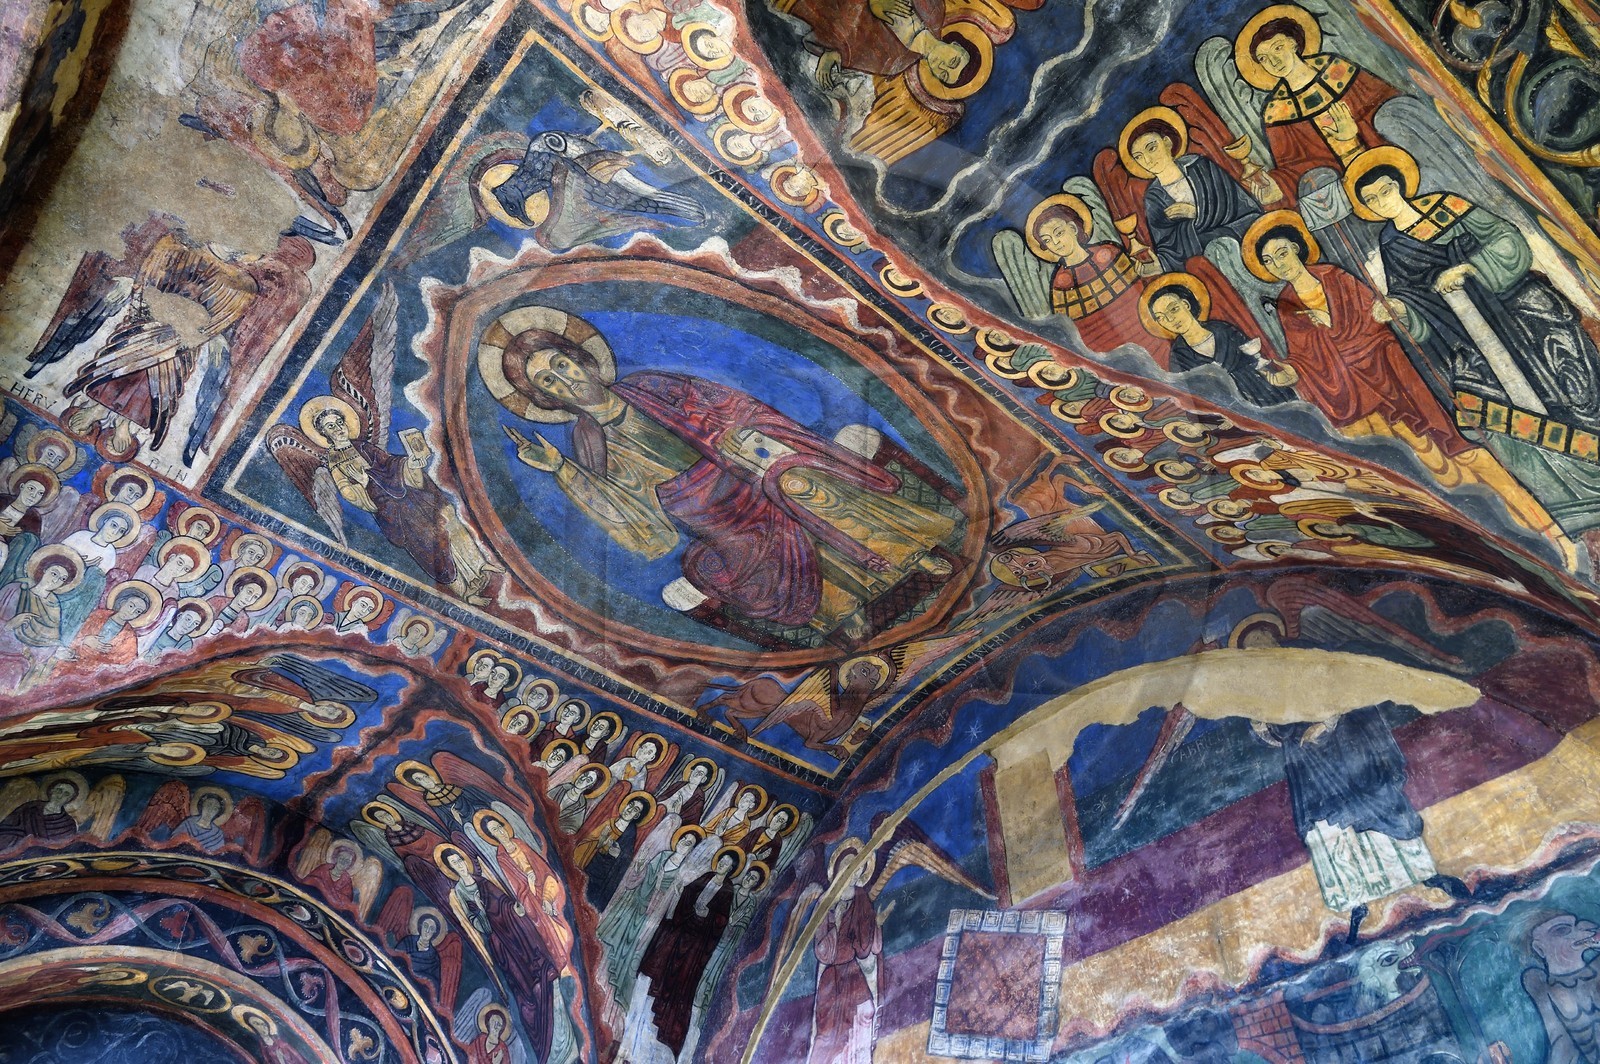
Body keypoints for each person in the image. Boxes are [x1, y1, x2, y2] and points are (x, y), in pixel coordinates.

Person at [491, 314, 956, 642]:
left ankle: (910, 554)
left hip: (740, 467)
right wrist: (560, 470)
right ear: (546, 399)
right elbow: (628, 513)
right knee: (746, 558)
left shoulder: (650, 386)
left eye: (561, 365)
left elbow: (727, 405)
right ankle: (843, 610)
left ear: (582, 360)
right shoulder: (586, 444)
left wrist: (734, 436)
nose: (564, 379)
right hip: (704, 512)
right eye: (548, 382)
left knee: (796, 484)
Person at [1244, 211, 1575, 561]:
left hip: (1394, 382)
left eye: (1281, 253)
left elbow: (1376, 324)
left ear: (1297, 248)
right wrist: (1285, 373)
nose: (1278, 263)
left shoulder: (1336, 277)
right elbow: (1304, 360)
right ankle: (1500, 546)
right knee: (1422, 479)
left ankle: (1548, 533)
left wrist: (1332, 327)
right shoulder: (1285, 305)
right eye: (1268, 260)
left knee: (1459, 452)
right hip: (1357, 405)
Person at [1348, 148, 1600, 554]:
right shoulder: (1392, 244)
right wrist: (1398, 309)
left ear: (1398, 184)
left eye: (1383, 191)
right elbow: (1412, 297)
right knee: (1487, 405)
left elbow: (1508, 240)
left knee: (1571, 383)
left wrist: (1472, 268)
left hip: (1514, 310)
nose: (1381, 202)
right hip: (1461, 333)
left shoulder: (1449, 206)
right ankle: (1570, 508)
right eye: (1372, 201)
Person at [1235, 5, 1399, 196]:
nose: (1274, 61)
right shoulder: (1276, 111)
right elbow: (1294, 169)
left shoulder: (1338, 70)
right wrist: (1275, 187)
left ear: (1294, 43)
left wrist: (1355, 132)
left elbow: (1389, 104)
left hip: (1389, 163)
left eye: (1278, 48)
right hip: (1342, 191)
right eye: (1263, 58)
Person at [636, 847, 742, 1057]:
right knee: (664, 960)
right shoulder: (706, 877)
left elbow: (721, 922)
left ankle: (666, 1016)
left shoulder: (728, 889)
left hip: (697, 944)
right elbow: (687, 893)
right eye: (722, 862)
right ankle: (654, 999)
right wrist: (690, 906)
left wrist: (708, 915)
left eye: (727, 865)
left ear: (730, 870)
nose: (722, 866)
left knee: (681, 979)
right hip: (683, 929)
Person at [1139, 273, 1296, 406]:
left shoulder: (1222, 329)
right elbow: (1191, 395)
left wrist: (1274, 376)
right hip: (1231, 407)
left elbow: (1254, 358)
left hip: (1262, 390)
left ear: (1186, 305)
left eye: (1173, 309)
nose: (1171, 319)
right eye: (1162, 318)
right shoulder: (1179, 355)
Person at [1522, 910, 1600, 1063]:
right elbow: (1562, 1043)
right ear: (1540, 948)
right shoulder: (1541, 984)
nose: (1577, 932)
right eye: (1562, 929)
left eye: (1575, 926)